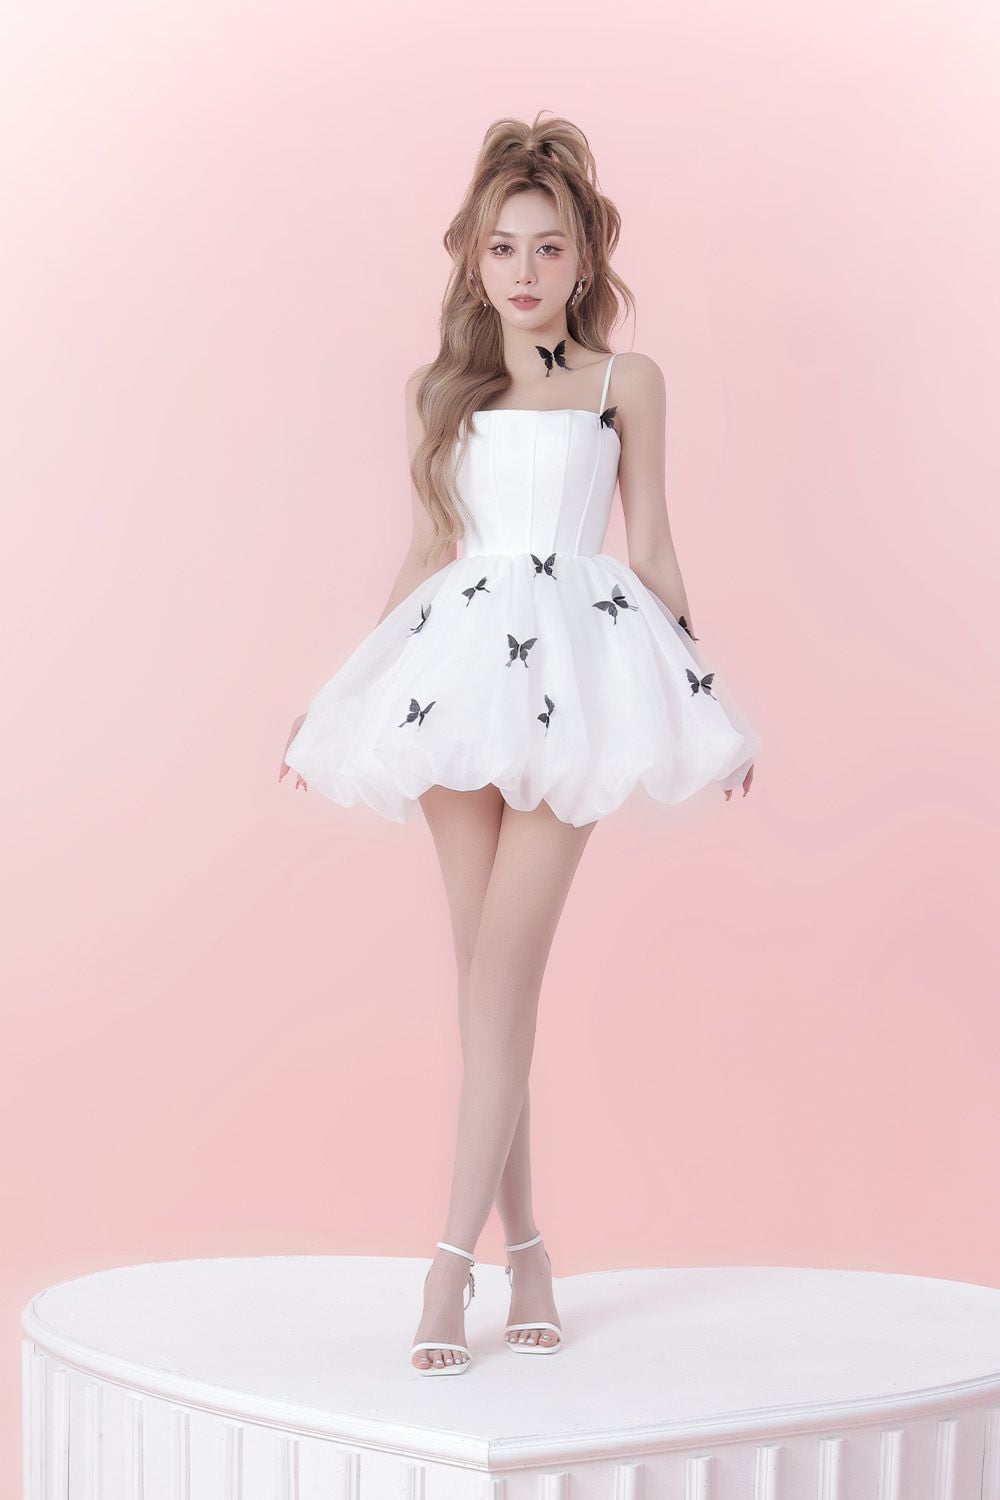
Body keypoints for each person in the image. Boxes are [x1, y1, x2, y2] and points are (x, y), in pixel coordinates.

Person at [279, 113, 761, 1375]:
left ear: (583, 256)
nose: (525, 269)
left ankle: (448, 1268)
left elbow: (651, 552)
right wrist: (336, 699)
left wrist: (704, 700)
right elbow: (421, 554)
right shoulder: (436, 392)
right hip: (453, 679)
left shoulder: (624, 382)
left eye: (548, 246)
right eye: (502, 246)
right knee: (483, 1001)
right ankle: (531, 1251)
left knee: (502, 985)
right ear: (473, 258)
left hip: (578, 678)